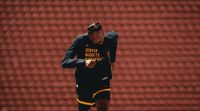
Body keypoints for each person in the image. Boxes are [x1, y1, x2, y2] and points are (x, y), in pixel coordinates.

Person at [62, 22, 118, 111]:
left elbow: (115, 36)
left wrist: (112, 60)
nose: (101, 39)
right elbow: (65, 62)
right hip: (84, 83)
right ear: (90, 36)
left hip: (102, 80)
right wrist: (83, 62)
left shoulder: (107, 39)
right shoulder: (80, 41)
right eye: (97, 37)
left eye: (102, 35)